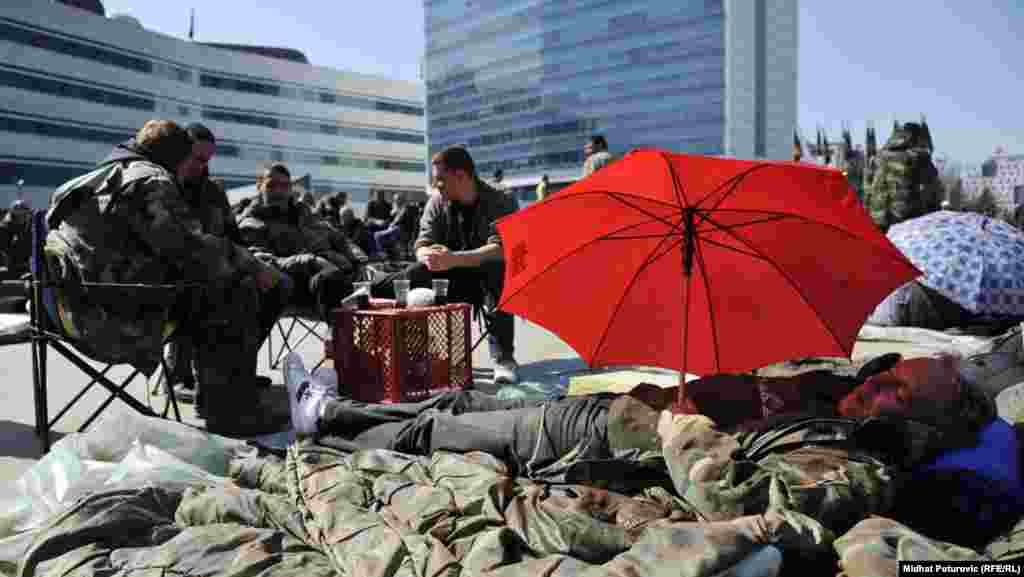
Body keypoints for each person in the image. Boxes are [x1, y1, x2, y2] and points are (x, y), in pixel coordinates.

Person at [46, 119, 288, 435]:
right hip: (116, 320)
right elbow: (192, 250)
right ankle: (230, 413)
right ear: (176, 155)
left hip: (69, 312)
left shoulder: (92, 179)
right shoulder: (151, 180)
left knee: (220, 284)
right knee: (233, 290)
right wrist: (252, 266)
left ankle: (223, 394)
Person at [154, 123, 291, 407]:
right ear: (181, 153)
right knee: (220, 289)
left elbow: (234, 237)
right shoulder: (162, 185)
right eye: (198, 158)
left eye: (208, 160)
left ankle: (235, 369)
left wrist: (257, 265)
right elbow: (182, 246)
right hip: (180, 275)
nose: (203, 166)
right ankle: (179, 375)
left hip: (222, 265)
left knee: (278, 285)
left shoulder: (213, 191)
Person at [374, 146, 521, 383]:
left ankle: (504, 359)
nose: (436, 186)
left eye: (440, 180)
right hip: (449, 279)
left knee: (498, 268)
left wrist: (454, 258)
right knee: (415, 273)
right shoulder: (436, 202)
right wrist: (428, 256)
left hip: (488, 280)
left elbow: (502, 248)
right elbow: (422, 244)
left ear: (461, 176)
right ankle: (367, 290)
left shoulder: (501, 198)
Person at [238, 163, 365, 319]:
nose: (279, 191)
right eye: (271, 185)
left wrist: (361, 260)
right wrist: (312, 261)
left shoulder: (305, 212)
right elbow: (262, 261)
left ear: (291, 189)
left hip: (344, 274)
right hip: (304, 286)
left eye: (284, 186)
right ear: (259, 186)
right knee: (334, 284)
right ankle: (342, 339)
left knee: (392, 281)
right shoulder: (251, 222)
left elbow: (339, 238)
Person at [863, 122, 942, 232]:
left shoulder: (877, 158)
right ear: (917, 137)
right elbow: (933, 191)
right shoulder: (919, 158)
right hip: (908, 222)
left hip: (877, 220)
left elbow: (867, 190)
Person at [370, 192, 416, 258]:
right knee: (377, 233)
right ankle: (385, 253)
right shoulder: (396, 209)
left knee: (377, 235)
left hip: (401, 231)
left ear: (402, 200)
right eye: (394, 200)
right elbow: (391, 220)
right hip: (396, 230)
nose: (395, 201)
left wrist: (391, 223)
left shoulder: (404, 209)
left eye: (397, 199)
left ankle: (383, 254)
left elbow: (397, 221)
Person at [0, 199, 32, 280]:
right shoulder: (4, 228)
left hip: (26, 265)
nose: (22, 218)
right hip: (9, 265)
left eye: (24, 215)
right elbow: (4, 249)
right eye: (19, 216)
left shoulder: (30, 227)